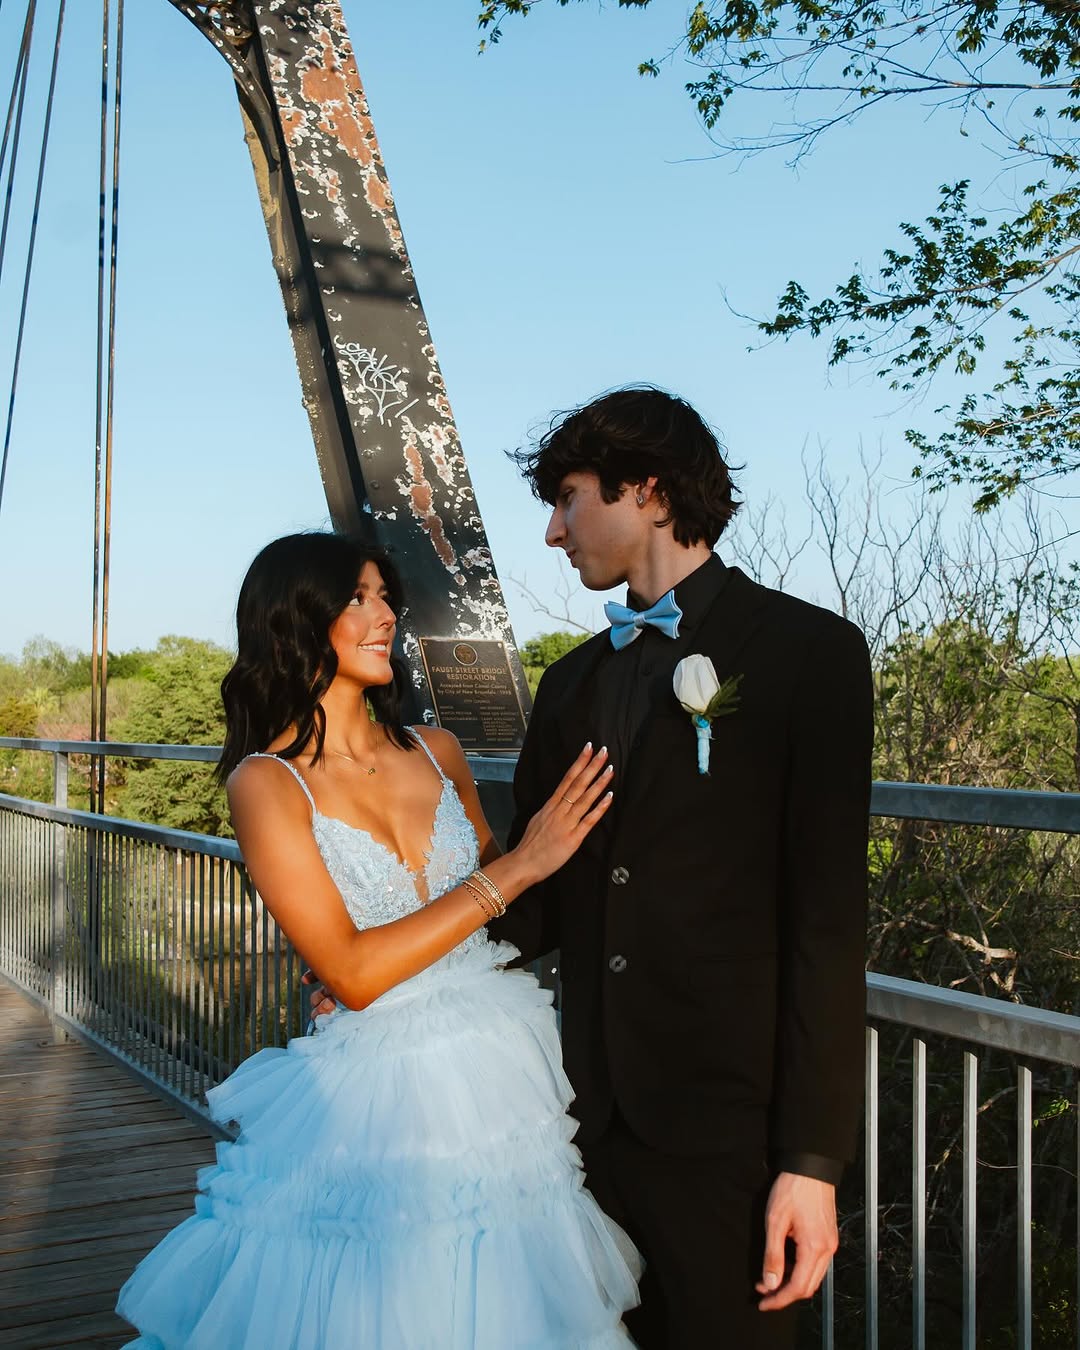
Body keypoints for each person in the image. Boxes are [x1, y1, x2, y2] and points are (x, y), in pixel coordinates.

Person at [116, 531, 641, 1349]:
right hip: (378, 1097)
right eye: (357, 598)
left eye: (386, 597)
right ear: (295, 621)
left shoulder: (438, 749)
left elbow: (506, 910)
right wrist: (519, 865)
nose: (386, 615)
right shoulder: (266, 783)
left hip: (497, 1076)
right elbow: (355, 975)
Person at [493, 386, 873, 1348]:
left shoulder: (810, 653)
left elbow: (827, 925)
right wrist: (386, 971)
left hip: (731, 1140)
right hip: (577, 1130)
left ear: (649, 490)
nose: (552, 531)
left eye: (568, 498)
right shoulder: (568, 684)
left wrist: (813, 1161)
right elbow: (530, 905)